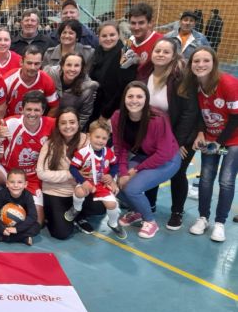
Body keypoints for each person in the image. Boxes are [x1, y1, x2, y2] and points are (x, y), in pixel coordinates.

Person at [136, 37, 200, 230]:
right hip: (155, 135)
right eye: (158, 51)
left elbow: (189, 113)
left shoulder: (181, 79)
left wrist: (177, 143)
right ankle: (151, 205)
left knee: (178, 172)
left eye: (166, 52)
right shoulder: (143, 75)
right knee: (152, 168)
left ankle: (177, 211)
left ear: (174, 56)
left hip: (181, 136)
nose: (160, 55)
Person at [181, 47, 238, 242]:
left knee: (226, 180)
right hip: (210, 136)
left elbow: (235, 117)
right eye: (196, 61)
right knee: (206, 178)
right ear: (191, 65)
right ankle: (203, 218)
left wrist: (219, 144)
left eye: (206, 60)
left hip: (233, 138)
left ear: (214, 63)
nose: (201, 65)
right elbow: (197, 112)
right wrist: (200, 133)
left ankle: (220, 223)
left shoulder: (228, 83)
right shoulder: (194, 84)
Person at [111, 81, 181, 239]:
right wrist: (123, 172)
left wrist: (134, 170)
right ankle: (137, 212)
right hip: (144, 156)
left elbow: (163, 154)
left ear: (146, 99)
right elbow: (119, 147)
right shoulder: (117, 117)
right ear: (124, 99)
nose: (134, 100)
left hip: (167, 160)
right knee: (114, 185)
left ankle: (150, 221)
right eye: (130, 96)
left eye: (139, 96)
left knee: (131, 188)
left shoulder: (158, 119)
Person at [0, 90, 56, 225]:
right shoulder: (10, 123)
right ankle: (3, 200)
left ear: (43, 111)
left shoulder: (52, 125)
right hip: (7, 170)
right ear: (22, 109)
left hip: (32, 177)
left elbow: (75, 136)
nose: (32, 114)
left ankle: (16, 201)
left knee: (38, 222)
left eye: (36, 110)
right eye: (29, 109)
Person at [37, 108, 104, 238]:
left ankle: (79, 215)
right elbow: (42, 173)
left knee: (102, 206)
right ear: (58, 125)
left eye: (72, 122)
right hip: (56, 192)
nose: (68, 126)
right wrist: (72, 174)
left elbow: (102, 163)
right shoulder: (50, 144)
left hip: (80, 191)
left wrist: (107, 177)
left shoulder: (89, 141)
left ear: (78, 123)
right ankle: (56, 214)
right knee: (61, 233)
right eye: (63, 123)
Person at [64, 119, 125, 239]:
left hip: (102, 184)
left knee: (112, 204)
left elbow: (115, 165)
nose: (100, 141)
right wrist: (83, 181)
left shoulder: (108, 152)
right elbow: (73, 168)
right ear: (89, 135)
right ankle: (76, 209)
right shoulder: (82, 152)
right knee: (79, 192)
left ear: (108, 139)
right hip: (87, 182)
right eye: (97, 137)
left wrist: (111, 176)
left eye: (104, 138)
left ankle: (113, 223)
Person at [88, 21, 136, 127]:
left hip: (113, 110)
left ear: (118, 35)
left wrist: (106, 114)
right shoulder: (98, 52)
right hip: (96, 106)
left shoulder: (127, 54)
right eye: (104, 36)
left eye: (112, 35)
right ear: (98, 37)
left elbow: (125, 88)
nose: (108, 38)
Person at [0, 169, 41, 245]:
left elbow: (32, 216)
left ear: (25, 184)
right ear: (7, 184)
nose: (16, 185)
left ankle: (0, 237)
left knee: (36, 227)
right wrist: (1, 229)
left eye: (20, 182)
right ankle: (22, 238)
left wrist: (17, 229)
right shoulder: (3, 193)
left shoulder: (28, 196)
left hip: (20, 224)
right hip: (3, 223)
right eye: (12, 182)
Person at [44, 52, 98, 128]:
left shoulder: (88, 87)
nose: (72, 69)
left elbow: (84, 115)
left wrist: (73, 132)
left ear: (81, 68)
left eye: (76, 66)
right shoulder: (49, 74)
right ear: (62, 66)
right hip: (45, 120)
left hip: (68, 126)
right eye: (69, 65)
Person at [3, 46, 59, 116]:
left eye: (36, 64)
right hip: (13, 121)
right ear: (21, 62)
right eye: (29, 63)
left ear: (41, 64)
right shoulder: (7, 80)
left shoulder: (46, 80)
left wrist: (44, 124)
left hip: (36, 121)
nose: (33, 67)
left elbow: (54, 106)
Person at [126, 3, 163, 67]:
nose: (136, 27)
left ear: (150, 23)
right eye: (133, 23)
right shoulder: (130, 40)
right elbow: (123, 65)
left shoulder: (161, 41)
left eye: (141, 23)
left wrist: (141, 62)